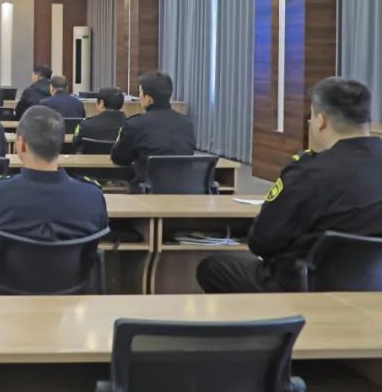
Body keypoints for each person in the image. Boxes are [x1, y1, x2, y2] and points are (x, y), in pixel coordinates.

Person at [198, 77, 382, 294]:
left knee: (213, 267)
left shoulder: (308, 171)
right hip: (373, 286)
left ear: (321, 121)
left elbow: (262, 241)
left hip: (305, 286)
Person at [0, 106, 108, 294]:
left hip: (3, 294)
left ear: (21, 144)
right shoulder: (92, 196)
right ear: (60, 144)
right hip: (72, 296)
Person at [110, 71, 195, 189]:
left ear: (149, 99)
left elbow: (119, 158)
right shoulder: (186, 124)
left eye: (140, 93)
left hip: (147, 191)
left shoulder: (135, 124)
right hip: (183, 190)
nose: (139, 97)